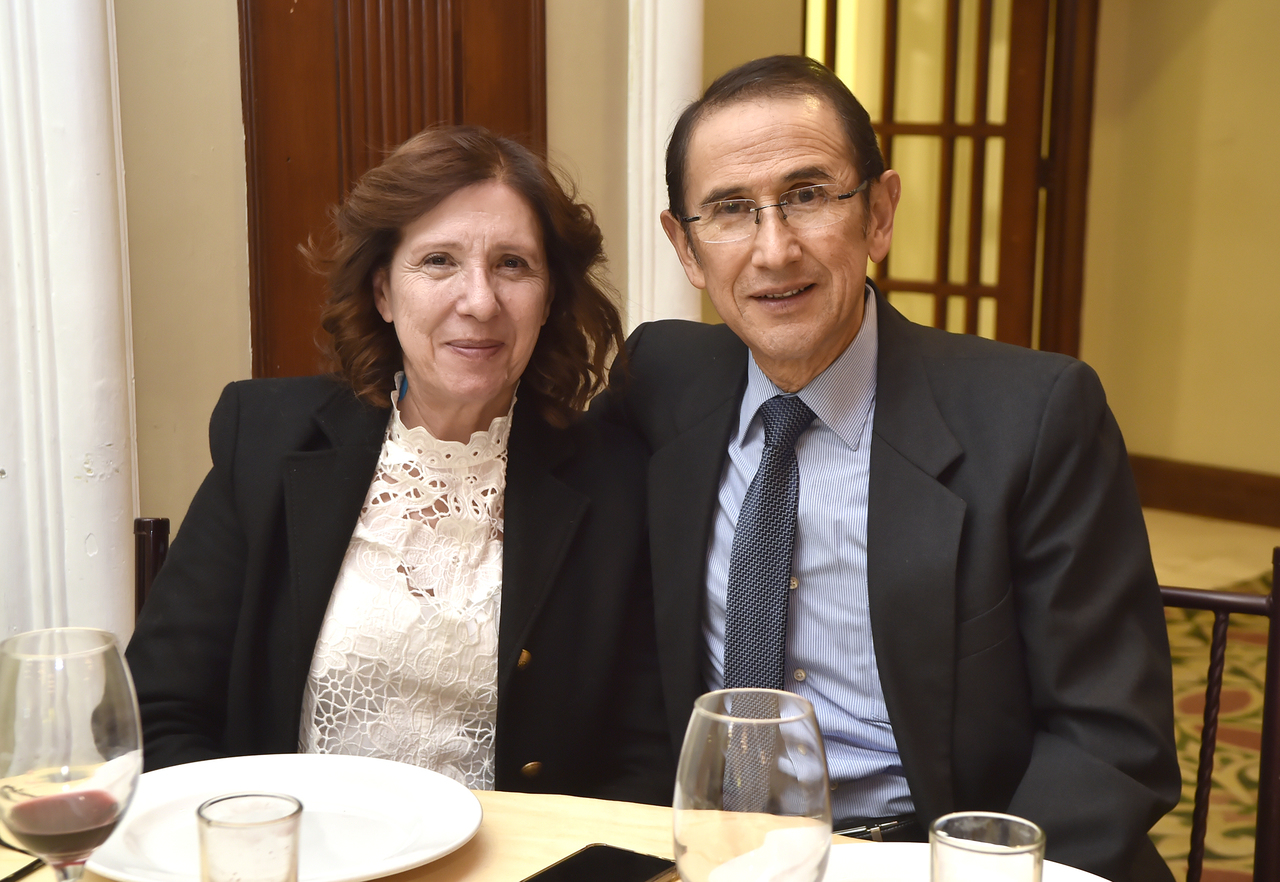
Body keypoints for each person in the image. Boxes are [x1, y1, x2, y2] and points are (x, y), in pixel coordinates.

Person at [598, 56, 1180, 880]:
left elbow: (1109, 739)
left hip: (938, 857)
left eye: (808, 195)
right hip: (720, 856)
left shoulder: (1035, 415)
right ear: (686, 248)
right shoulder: (659, 381)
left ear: (878, 214)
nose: (774, 249)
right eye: (729, 210)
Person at [126, 125, 673, 804]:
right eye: (439, 261)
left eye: (513, 264)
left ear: (550, 297)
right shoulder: (266, 440)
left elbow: (645, 764)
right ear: (383, 291)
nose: (480, 301)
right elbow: (160, 715)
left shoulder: (617, 482)